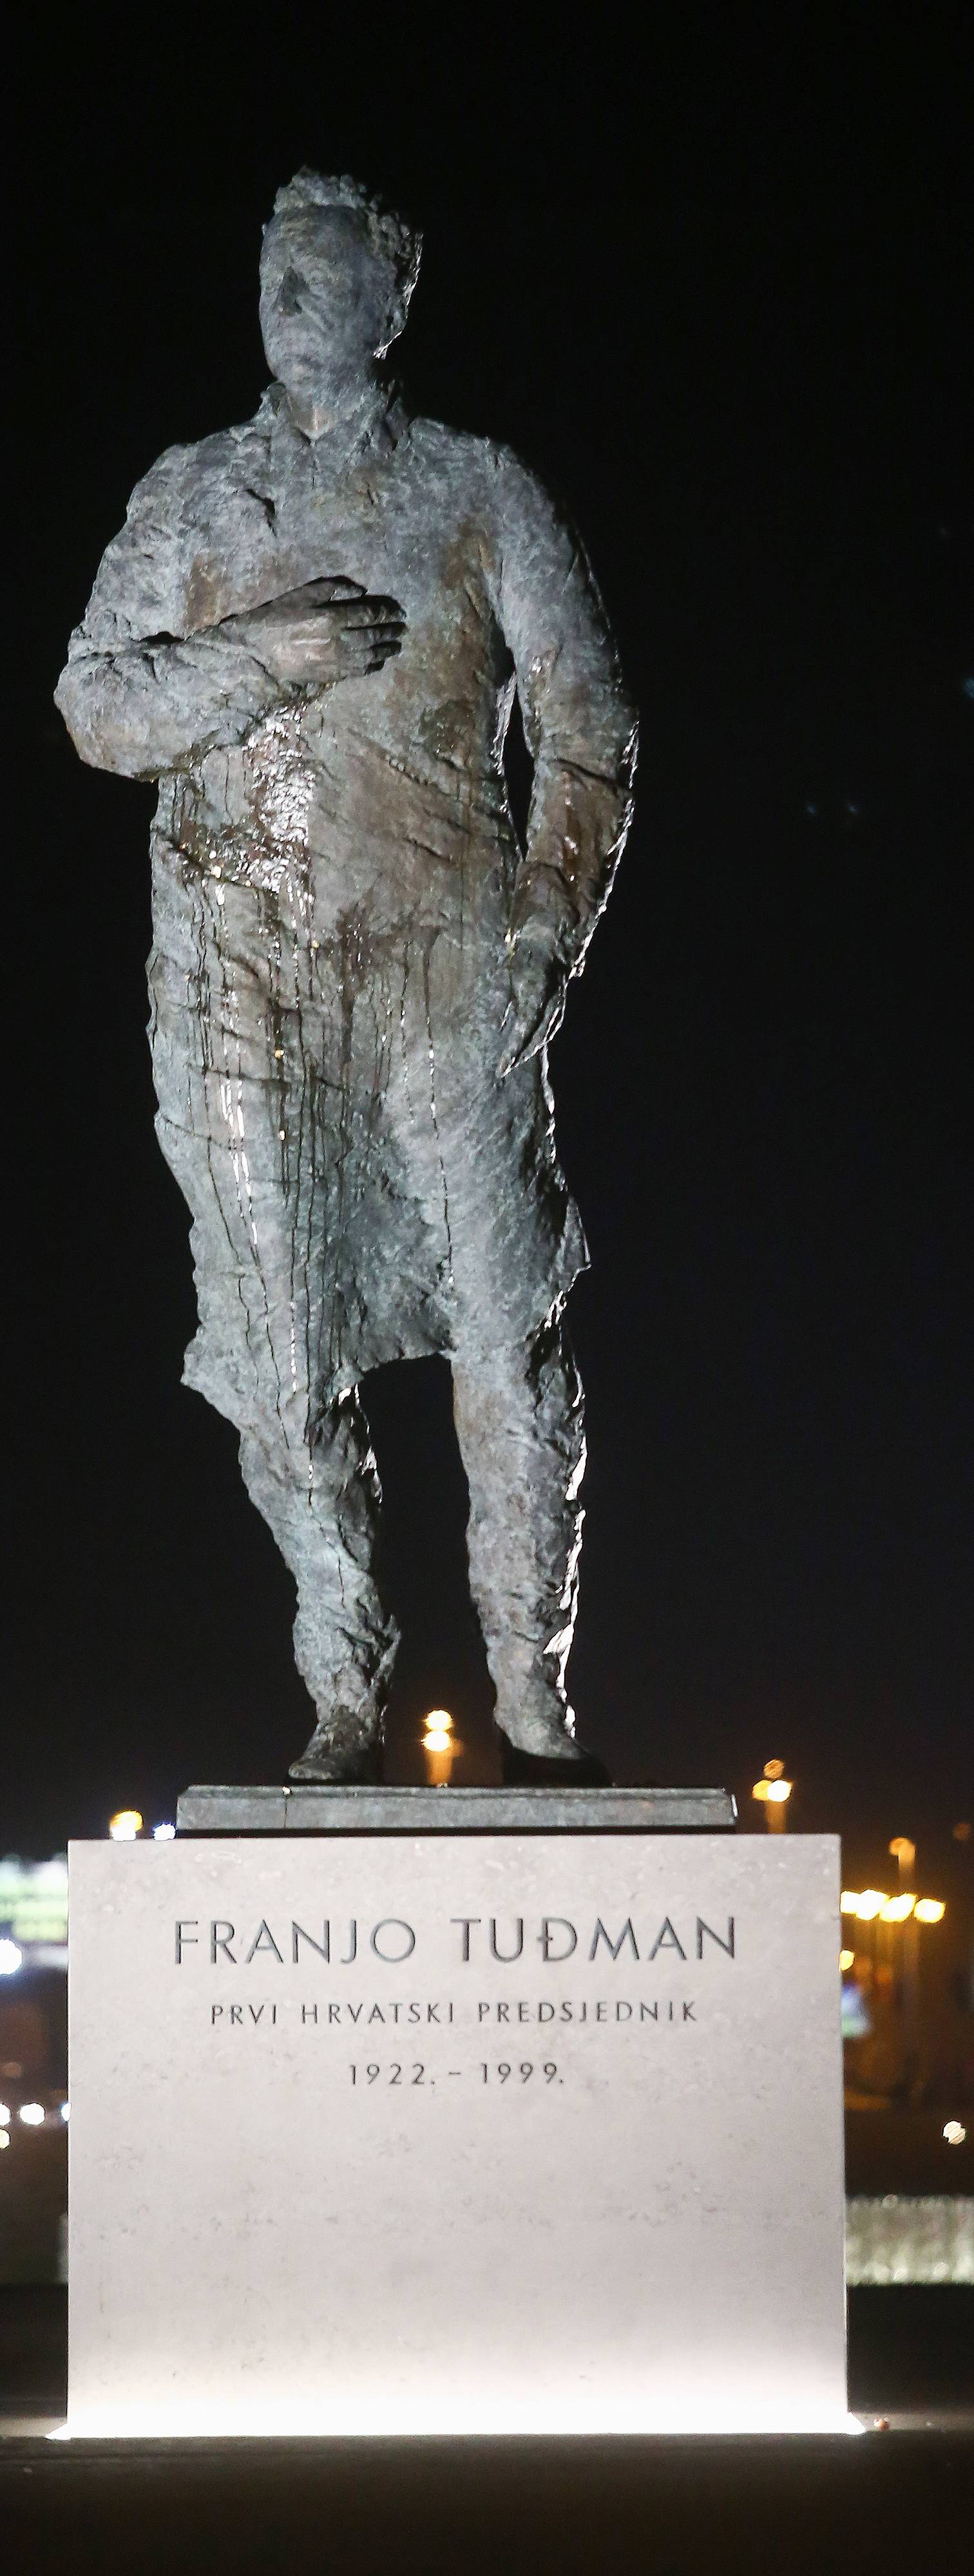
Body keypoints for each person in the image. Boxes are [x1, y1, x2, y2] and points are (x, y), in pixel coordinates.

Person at [55, 170, 636, 1783]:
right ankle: (343, 1679)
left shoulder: (477, 492)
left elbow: (592, 735)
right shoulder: (191, 495)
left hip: (446, 966)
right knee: (276, 1340)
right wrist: (261, 659)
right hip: (242, 973)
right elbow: (95, 709)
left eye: (323, 277)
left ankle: (531, 1686)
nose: (289, 302)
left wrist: (545, 929)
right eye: (271, 276)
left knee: (508, 1319)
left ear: (392, 302)